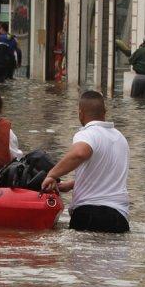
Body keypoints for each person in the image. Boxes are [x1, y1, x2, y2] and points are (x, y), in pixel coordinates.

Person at [41, 91, 130, 233]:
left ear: (80, 113)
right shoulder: (120, 138)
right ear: (105, 112)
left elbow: (79, 153)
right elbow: (105, 175)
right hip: (119, 218)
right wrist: (71, 185)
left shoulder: (87, 133)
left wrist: (51, 175)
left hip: (89, 214)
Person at [126, 33, 145, 98]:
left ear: (143, 41)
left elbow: (130, 60)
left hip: (138, 79)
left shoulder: (139, 50)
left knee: (135, 100)